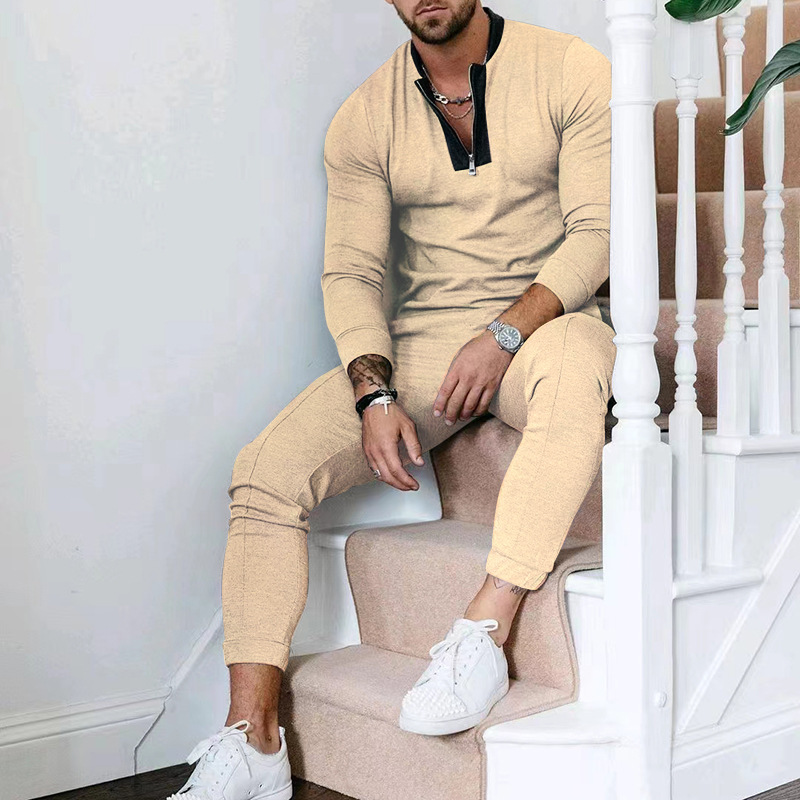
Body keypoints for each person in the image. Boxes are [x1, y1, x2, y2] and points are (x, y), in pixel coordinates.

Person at [166, 2, 616, 798]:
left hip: (548, 321)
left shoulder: (570, 68)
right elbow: (353, 273)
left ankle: (483, 629)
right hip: (427, 339)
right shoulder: (364, 118)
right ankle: (254, 740)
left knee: (579, 365)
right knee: (265, 472)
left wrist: (507, 332)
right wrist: (373, 394)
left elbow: (597, 232)